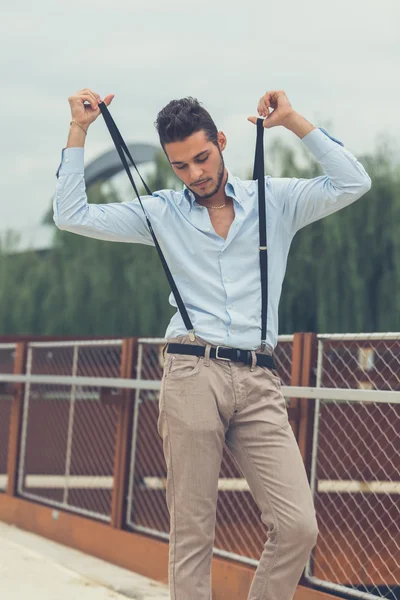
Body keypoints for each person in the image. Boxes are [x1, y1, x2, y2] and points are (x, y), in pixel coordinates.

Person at [54, 88, 371, 600]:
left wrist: (291, 121)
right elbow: (72, 215)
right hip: (191, 372)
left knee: (297, 526)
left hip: (259, 376)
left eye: (202, 158)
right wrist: (78, 132)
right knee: (193, 530)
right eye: (180, 166)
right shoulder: (160, 213)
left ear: (221, 142)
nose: (195, 173)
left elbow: (355, 181)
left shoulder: (277, 200)